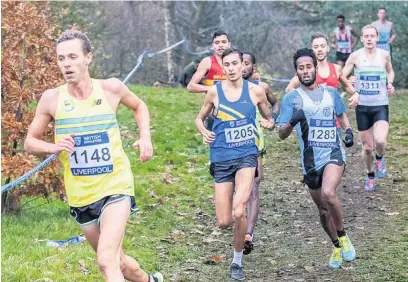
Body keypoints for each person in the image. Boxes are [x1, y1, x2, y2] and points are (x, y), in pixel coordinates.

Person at [24, 30, 163, 282]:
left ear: (88, 58)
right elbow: (29, 142)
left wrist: (145, 137)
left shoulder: (110, 88)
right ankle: (150, 280)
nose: (66, 64)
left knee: (105, 260)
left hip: (115, 185)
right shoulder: (52, 99)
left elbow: (139, 105)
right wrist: (53, 147)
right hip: (81, 194)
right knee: (119, 263)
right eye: (61, 58)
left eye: (72, 57)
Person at [195, 48, 274, 280]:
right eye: (226, 65)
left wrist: (269, 123)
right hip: (221, 158)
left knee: (239, 211)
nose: (230, 68)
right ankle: (237, 235)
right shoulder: (214, 92)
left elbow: (268, 118)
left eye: (234, 64)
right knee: (224, 221)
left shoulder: (256, 92)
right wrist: (203, 132)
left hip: (247, 156)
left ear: (243, 66)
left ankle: (237, 262)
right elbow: (199, 118)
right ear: (223, 67)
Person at [277, 48, 356, 269]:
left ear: (315, 68)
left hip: (333, 152)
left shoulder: (331, 92)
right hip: (310, 162)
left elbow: (341, 114)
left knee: (329, 193)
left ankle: (343, 237)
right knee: (322, 210)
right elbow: (281, 135)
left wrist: (348, 131)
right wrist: (293, 121)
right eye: (300, 68)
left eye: (308, 66)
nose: (305, 71)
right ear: (297, 72)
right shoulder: (291, 99)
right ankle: (336, 246)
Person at [342, 24, 395, 192]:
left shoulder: (384, 55)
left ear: (377, 37)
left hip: (380, 104)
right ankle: (370, 174)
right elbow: (342, 77)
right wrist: (350, 82)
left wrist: (390, 83)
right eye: (366, 36)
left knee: (380, 141)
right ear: (362, 38)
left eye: (373, 36)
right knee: (366, 147)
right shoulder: (355, 56)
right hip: (362, 106)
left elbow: (390, 72)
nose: (370, 39)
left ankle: (380, 158)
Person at [241, 51, 279, 255]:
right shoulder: (227, 90)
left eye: (247, 63)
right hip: (234, 145)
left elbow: (275, 104)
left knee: (254, 186)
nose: (243, 67)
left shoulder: (261, 88)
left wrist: (271, 120)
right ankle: (238, 219)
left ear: (253, 68)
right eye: (241, 63)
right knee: (240, 190)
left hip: (256, 143)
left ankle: (249, 234)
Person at [286, 32, 360, 107]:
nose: (319, 49)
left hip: (334, 115)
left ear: (328, 48)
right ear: (312, 50)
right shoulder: (307, 70)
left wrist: (356, 94)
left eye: (322, 46)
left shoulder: (336, 69)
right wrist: (304, 98)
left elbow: (347, 86)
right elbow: (289, 89)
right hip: (313, 115)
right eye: (316, 47)